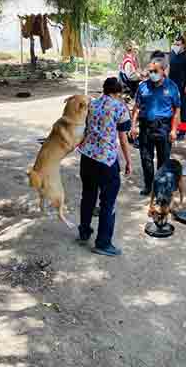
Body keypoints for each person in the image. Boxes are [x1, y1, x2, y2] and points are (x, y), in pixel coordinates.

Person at [77, 77, 132, 256]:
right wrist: (128, 161)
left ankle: (84, 232)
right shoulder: (120, 108)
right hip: (106, 160)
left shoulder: (92, 104)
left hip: (87, 157)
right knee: (108, 202)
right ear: (118, 92)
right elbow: (123, 139)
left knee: (88, 196)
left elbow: (84, 128)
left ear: (104, 89)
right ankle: (103, 243)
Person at [130, 56, 181, 196]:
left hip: (163, 127)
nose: (152, 74)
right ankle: (148, 185)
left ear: (163, 70)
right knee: (146, 158)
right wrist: (133, 126)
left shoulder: (172, 87)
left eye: (155, 71)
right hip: (146, 127)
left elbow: (177, 110)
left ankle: (160, 188)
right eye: (150, 71)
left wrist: (174, 130)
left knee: (163, 160)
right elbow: (137, 108)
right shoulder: (143, 86)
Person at [168, 35, 186, 138]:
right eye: (175, 44)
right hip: (171, 85)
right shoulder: (172, 53)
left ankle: (182, 131)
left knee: (182, 109)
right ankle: (171, 128)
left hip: (181, 86)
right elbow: (169, 67)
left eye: (178, 44)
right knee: (170, 107)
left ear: (183, 45)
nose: (176, 46)